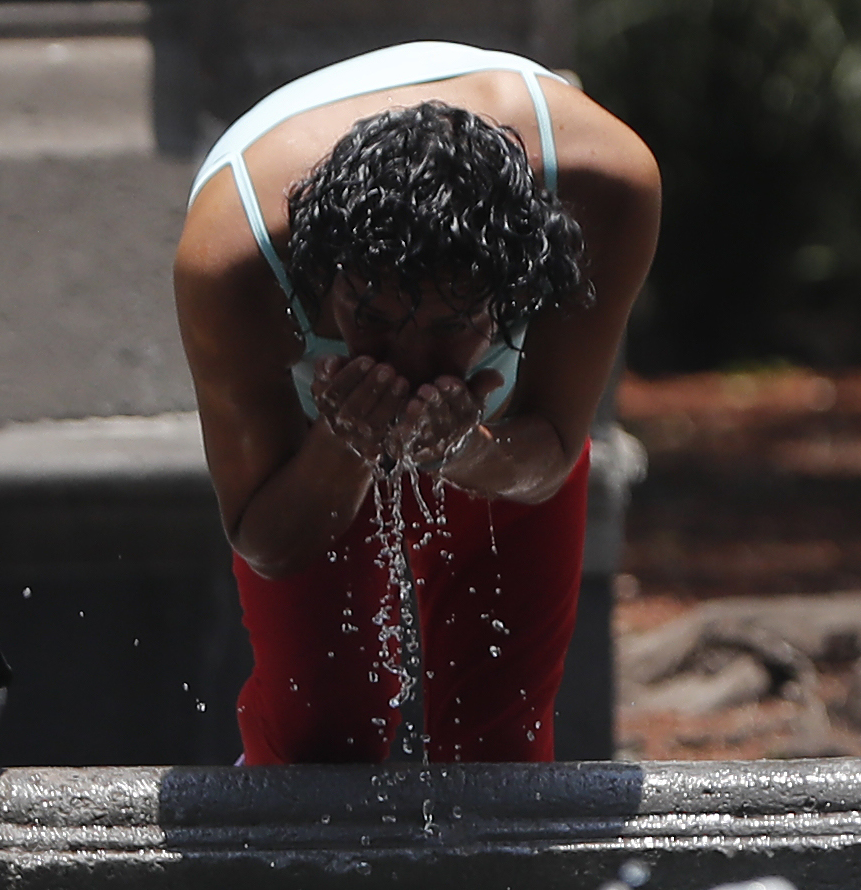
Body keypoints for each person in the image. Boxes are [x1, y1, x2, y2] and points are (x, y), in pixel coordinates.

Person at [174, 41, 660, 765]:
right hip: (324, 421)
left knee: (501, 743)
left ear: (511, 293)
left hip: (494, 417)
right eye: (371, 318)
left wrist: (469, 453)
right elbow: (268, 539)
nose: (405, 361)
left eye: (449, 327)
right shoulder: (233, 261)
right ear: (324, 277)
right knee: (320, 736)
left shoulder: (606, 188)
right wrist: (344, 442)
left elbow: (551, 448)